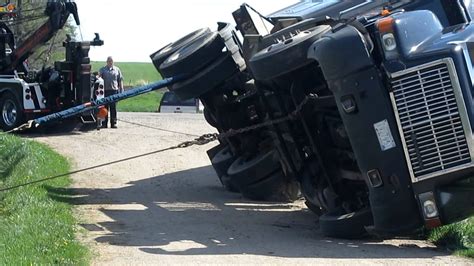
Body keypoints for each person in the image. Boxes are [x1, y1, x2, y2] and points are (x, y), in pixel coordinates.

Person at [99, 56, 124, 128]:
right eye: (109, 61)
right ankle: (104, 123)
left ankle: (113, 123)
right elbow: (98, 78)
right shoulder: (102, 70)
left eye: (111, 61)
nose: (110, 62)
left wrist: (121, 89)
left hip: (114, 91)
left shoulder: (117, 70)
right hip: (105, 91)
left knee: (113, 108)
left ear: (113, 62)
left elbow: (120, 80)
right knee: (105, 108)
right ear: (106, 62)